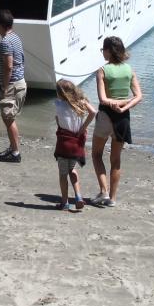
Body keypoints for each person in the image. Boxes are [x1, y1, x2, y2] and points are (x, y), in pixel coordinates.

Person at [90, 36, 143, 207]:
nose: (102, 52)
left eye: (103, 49)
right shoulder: (130, 70)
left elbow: (103, 99)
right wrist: (124, 106)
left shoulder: (102, 71)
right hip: (123, 119)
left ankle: (103, 191)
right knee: (116, 159)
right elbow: (139, 96)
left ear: (108, 51)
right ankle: (112, 199)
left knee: (96, 154)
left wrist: (115, 103)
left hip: (106, 116)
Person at [53, 79, 96, 211]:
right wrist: (83, 128)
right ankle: (78, 197)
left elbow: (58, 121)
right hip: (76, 143)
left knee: (62, 174)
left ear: (61, 93)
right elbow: (93, 112)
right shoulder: (81, 103)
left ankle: (65, 202)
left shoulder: (58, 104)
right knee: (72, 169)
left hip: (64, 143)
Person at [0, 9, 26, 163]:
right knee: (9, 118)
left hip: (11, 85)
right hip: (20, 83)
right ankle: (13, 148)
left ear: (0, 24)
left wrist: (5, 87)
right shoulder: (16, 37)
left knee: (8, 119)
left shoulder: (6, 41)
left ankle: (15, 152)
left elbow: (9, 66)